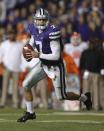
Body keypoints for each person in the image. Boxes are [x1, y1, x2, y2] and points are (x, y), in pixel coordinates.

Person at [17, 8, 92, 123]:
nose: (41, 22)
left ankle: (85, 98)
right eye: (39, 20)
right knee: (26, 85)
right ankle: (30, 112)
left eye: (43, 20)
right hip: (43, 64)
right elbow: (33, 39)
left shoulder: (52, 32)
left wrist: (37, 54)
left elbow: (56, 56)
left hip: (56, 66)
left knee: (62, 96)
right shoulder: (33, 29)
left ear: (47, 21)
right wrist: (28, 47)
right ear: (35, 20)